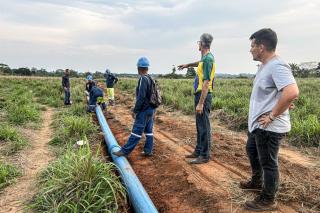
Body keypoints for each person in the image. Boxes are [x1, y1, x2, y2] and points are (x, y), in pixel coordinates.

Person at [240, 28, 299, 211]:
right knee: (251, 149)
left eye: (252, 46)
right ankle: (257, 182)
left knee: (268, 162)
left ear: (262, 47)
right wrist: (281, 103)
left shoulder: (277, 65)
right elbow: (282, 93)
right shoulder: (266, 65)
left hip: (270, 127)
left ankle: (268, 199)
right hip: (259, 125)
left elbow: (292, 91)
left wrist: (273, 115)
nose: (250, 49)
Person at [177, 33, 216, 164]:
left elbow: (206, 82)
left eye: (199, 42)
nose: (198, 44)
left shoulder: (208, 59)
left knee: (204, 126)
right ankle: (198, 151)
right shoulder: (204, 59)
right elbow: (199, 62)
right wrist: (187, 65)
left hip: (203, 96)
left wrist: (201, 103)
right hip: (199, 95)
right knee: (200, 126)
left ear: (203, 44)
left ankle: (205, 155)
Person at [113, 57, 155, 157]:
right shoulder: (150, 78)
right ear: (147, 68)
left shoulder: (143, 79)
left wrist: (135, 110)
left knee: (136, 131)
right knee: (149, 131)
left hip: (144, 110)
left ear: (138, 68)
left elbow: (141, 97)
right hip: (151, 109)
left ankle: (124, 151)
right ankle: (148, 150)